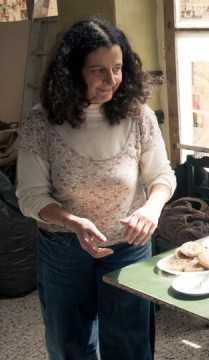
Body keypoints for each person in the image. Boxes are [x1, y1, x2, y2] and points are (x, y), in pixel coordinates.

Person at [16, 18, 176, 359]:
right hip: (64, 246)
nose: (111, 80)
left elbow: (161, 175)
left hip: (128, 245)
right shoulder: (40, 121)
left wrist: (150, 209)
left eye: (117, 68)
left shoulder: (138, 116)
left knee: (130, 341)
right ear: (72, 72)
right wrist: (72, 222)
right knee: (71, 341)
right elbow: (30, 197)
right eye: (98, 70)